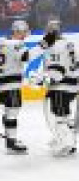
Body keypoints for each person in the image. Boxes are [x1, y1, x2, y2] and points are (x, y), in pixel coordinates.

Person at [31, 19, 78, 157]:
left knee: (59, 117)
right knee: (65, 115)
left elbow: (57, 70)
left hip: (60, 86)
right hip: (73, 84)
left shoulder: (54, 46)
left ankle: (67, 144)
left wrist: (40, 80)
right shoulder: (69, 43)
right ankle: (64, 139)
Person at [0, 20, 30, 154]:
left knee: (9, 111)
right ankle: (11, 142)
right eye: (24, 32)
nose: (25, 35)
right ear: (17, 31)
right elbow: (26, 57)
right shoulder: (16, 43)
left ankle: (9, 138)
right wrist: (42, 47)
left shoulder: (1, 43)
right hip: (10, 82)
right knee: (12, 112)